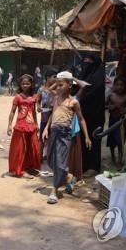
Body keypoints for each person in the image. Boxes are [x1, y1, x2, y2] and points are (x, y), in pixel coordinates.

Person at [42, 71, 91, 204]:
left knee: (60, 162)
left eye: (61, 85)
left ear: (69, 85)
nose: (57, 88)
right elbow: (47, 91)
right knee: (51, 161)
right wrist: (46, 128)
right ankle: (70, 177)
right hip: (53, 132)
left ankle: (54, 191)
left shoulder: (73, 102)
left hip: (65, 134)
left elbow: (81, 119)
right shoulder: (56, 98)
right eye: (57, 85)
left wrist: (87, 136)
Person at [7, 74, 41, 179]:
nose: (25, 85)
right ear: (20, 85)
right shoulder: (18, 97)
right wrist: (9, 125)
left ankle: (30, 167)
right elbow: (12, 112)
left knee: (32, 147)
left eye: (27, 83)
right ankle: (20, 170)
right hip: (21, 125)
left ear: (31, 84)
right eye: (23, 84)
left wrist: (36, 123)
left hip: (31, 125)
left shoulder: (34, 97)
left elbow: (34, 112)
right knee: (20, 148)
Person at [78, 54, 105, 175]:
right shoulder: (82, 76)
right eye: (85, 61)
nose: (86, 63)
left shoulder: (98, 77)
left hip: (95, 114)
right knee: (82, 138)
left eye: (90, 61)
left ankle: (93, 166)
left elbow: (92, 93)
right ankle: (82, 164)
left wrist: (79, 98)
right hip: (81, 114)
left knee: (93, 138)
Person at [107, 77, 126, 165]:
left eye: (122, 85)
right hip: (112, 120)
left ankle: (120, 158)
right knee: (111, 140)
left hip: (121, 121)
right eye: (117, 85)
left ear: (125, 86)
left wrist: (125, 110)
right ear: (114, 86)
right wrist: (111, 107)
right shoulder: (111, 96)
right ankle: (113, 157)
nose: (119, 87)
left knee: (120, 140)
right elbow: (107, 107)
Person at [37, 70, 57, 159]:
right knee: (42, 137)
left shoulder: (56, 89)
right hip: (45, 116)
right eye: (54, 77)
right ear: (48, 78)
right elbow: (38, 101)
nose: (56, 79)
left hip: (54, 116)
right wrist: (38, 107)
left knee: (52, 137)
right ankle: (39, 156)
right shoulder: (41, 89)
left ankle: (50, 156)